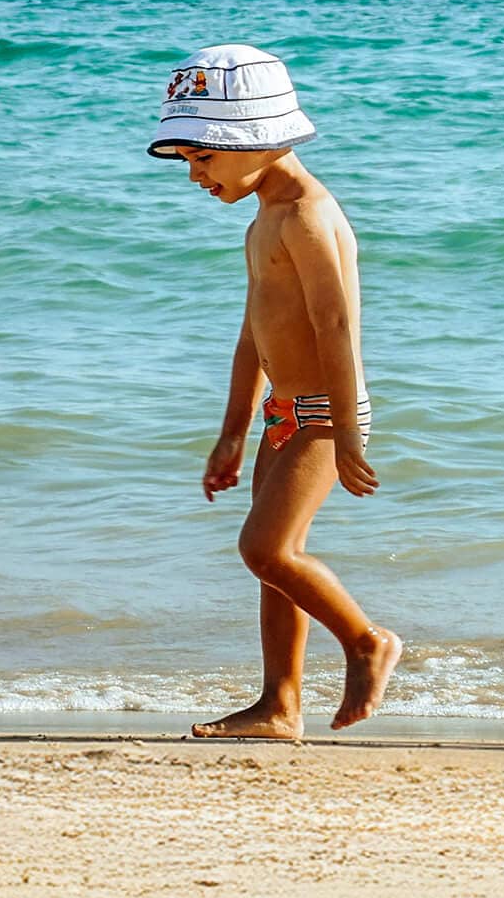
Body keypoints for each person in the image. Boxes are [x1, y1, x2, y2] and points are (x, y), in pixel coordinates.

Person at [149, 44, 401, 738]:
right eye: (189, 162)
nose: (195, 175)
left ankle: (366, 641)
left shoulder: (306, 217)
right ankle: (279, 705)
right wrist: (232, 431)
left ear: (255, 141)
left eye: (203, 158)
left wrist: (346, 430)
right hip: (282, 412)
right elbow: (252, 336)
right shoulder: (264, 218)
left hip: (324, 413)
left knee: (266, 549)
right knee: (274, 566)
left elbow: (336, 325)